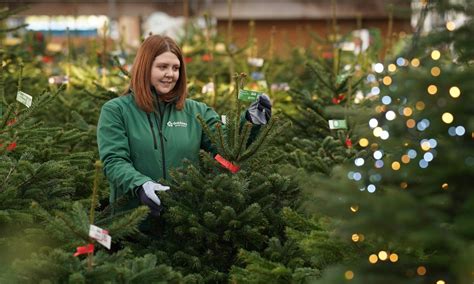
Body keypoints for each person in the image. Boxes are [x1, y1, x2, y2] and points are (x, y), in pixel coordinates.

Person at [97, 35, 271, 218]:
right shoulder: (116, 111)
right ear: (144, 67)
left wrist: (251, 121)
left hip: (184, 224)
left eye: (176, 68)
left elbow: (227, 147)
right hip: (131, 224)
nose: (170, 74)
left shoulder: (197, 111)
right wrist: (141, 185)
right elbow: (114, 161)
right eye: (162, 67)